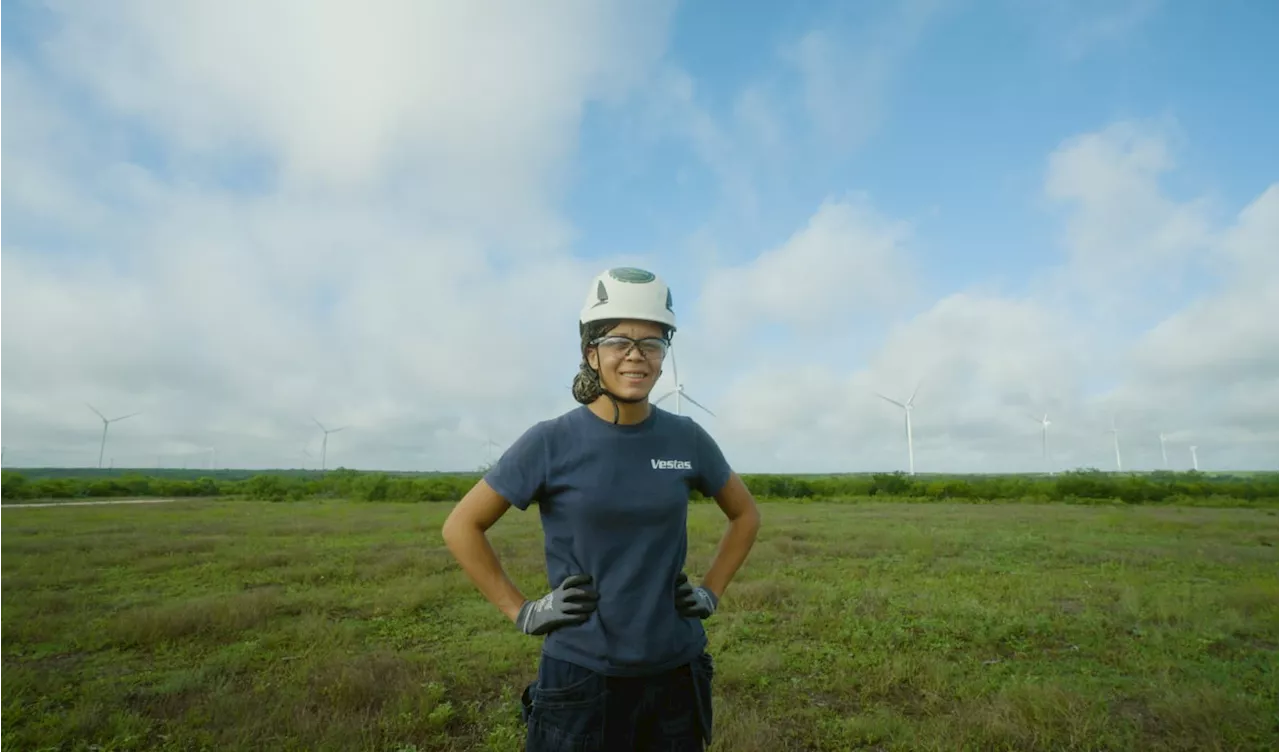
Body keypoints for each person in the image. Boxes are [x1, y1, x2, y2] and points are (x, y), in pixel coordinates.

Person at [441, 266, 762, 751]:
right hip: (581, 677)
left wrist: (711, 592)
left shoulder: (687, 438)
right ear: (590, 352)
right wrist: (523, 611)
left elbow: (746, 516)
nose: (636, 356)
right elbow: (462, 526)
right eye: (618, 341)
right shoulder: (551, 441)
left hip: (677, 670)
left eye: (652, 344)